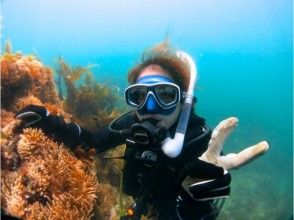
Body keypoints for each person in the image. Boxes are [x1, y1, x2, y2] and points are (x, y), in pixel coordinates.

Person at [16, 43, 268, 219]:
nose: (149, 107)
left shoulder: (200, 141)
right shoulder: (131, 125)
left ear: (182, 100)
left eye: (165, 95)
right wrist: (50, 121)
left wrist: (193, 202)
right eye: (138, 95)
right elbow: (90, 141)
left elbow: (200, 208)